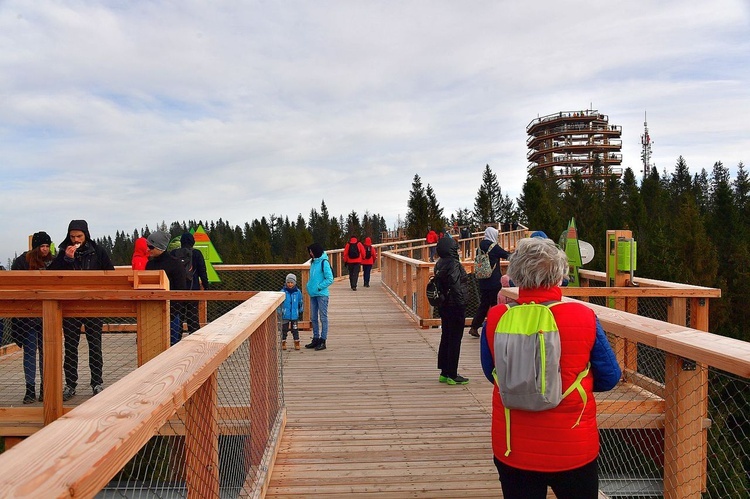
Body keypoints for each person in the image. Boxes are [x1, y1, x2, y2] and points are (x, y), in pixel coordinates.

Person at [480, 237, 621, 499]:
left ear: (516, 275)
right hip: (572, 447)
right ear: (559, 275)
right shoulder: (583, 316)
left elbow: (492, 373)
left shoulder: (497, 318)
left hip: (513, 446)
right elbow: (610, 377)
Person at [50, 220, 115, 400]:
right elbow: (52, 274)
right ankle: (70, 384)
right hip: (70, 306)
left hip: (93, 305)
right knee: (70, 346)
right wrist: (67, 260)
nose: (76, 239)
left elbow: (110, 273)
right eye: (72, 236)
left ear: (86, 234)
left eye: (79, 236)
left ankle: (97, 383)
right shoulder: (64, 251)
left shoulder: (98, 251)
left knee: (95, 345)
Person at [11, 231, 54, 404]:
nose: (44, 250)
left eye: (46, 246)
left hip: (48, 315)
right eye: (41, 246)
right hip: (27, 316)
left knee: (47, 352)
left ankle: (46, 387)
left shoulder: (52, 262)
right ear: (35, 247)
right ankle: (30, 389)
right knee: (29, 352)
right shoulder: (22, 262)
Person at [434, 236, 469, 385]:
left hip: (443, 305)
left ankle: (444, 371)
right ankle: (452, 374)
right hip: (455, 306)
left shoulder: (439, 263)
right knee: (455, 339)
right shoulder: (454, 264)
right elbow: (455, 286)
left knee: (446, 336)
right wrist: (462, 305)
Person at [144, 231, 187, 346]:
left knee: (173, 348)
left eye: (151, 246)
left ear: (160, 247)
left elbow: (181, 289)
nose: (148, 249)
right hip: (152, 314)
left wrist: (173, 311)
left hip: (172, 314)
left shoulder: (175, 264)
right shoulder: (149, 265)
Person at [468, 227, 510, 338]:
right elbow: (507, 255)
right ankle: (495, 327)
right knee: (495, 305)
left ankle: (474, 326)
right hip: (494, 281)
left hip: (483, 280)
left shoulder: (479, 247)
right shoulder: (493, 247)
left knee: (484, 305)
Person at [172, 232, 210, 333]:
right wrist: (206, 286)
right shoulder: (197, 253)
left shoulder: (173, 253)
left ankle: (175, 342)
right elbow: (202, 271)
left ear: (181, 242)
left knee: (177, 318)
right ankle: (194, 342)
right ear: (192, 242)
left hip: (177, 291)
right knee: (193, 318)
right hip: (193, 290)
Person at [305, 242, 334, 351]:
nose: (310, 253)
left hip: (322, 295)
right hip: (313, 294)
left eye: (311, 251)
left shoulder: (324, 262)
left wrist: (319, 287)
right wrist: (309, 286)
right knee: (313, 317)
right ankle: (316, 338)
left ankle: (323, 340)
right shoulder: (313, 262)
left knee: (323, 317)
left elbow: (330, 279)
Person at [280, 273, 303, 350]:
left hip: (294, 315)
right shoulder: (283, 292)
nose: (290, 284)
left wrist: (300, 309)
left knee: (295, 329)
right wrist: (280, 311)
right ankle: (283, 342)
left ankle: (296, 342)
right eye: (288, 282)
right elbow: (279, 303)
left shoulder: (297, 292)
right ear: (286, 283)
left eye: (291, 282)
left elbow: (300, 301)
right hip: (285, 314)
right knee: (284, 329)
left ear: (295, 283)